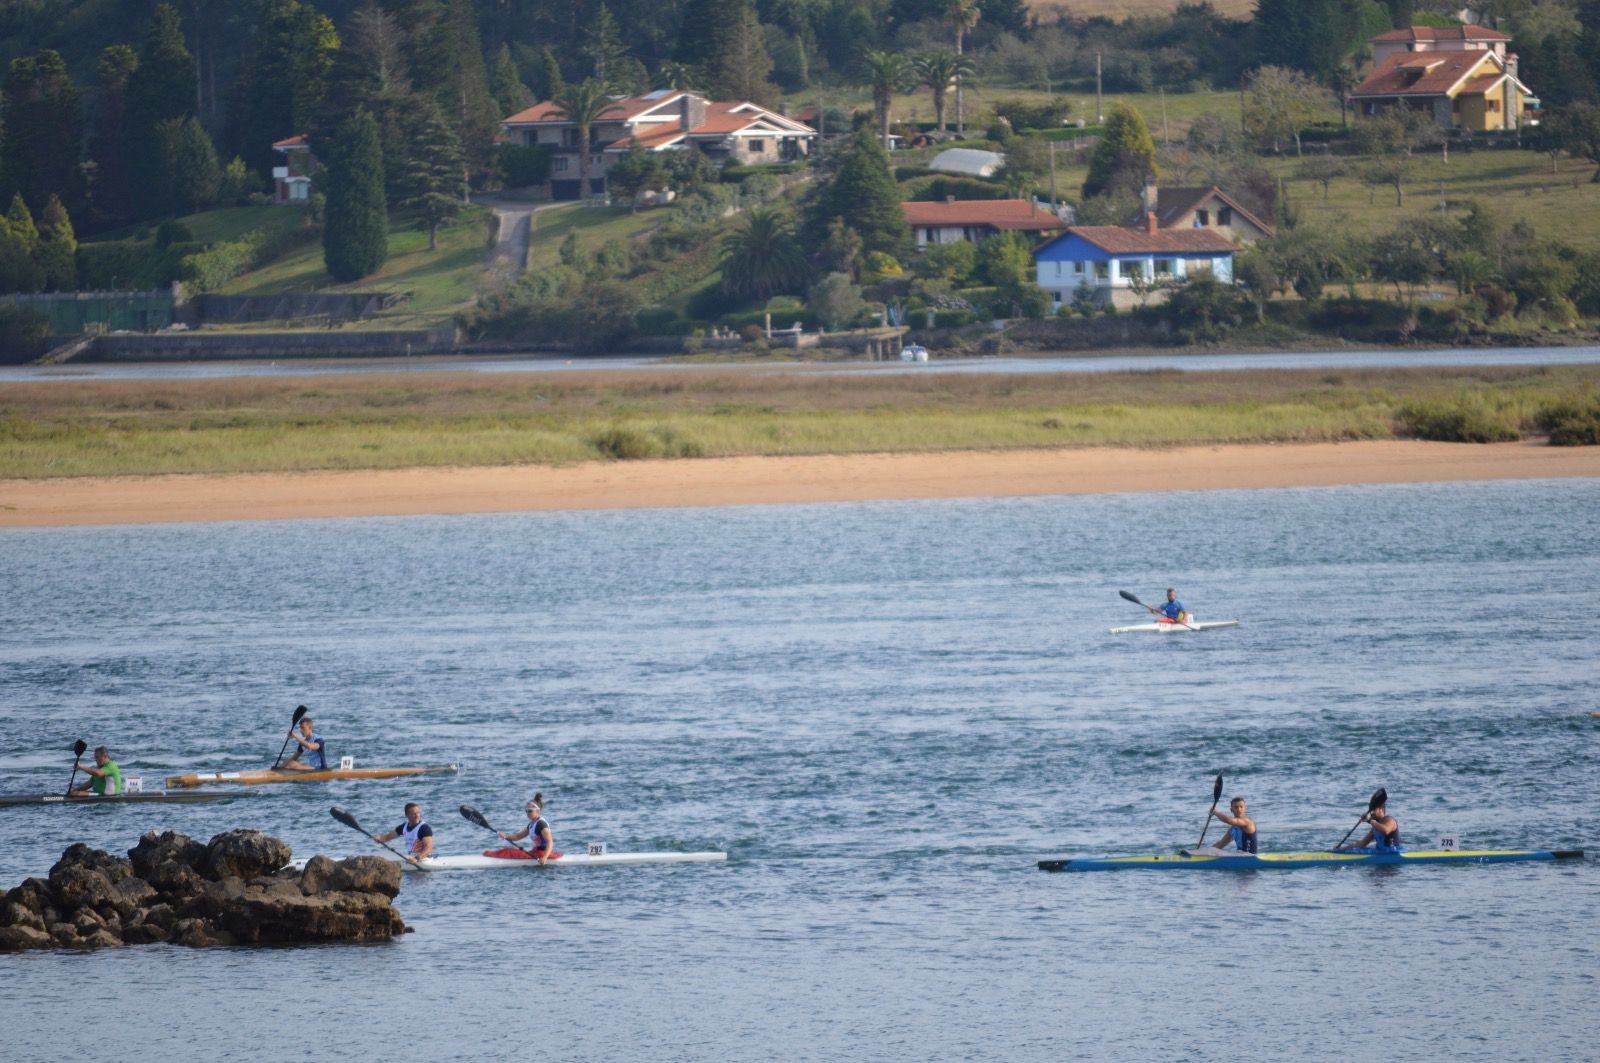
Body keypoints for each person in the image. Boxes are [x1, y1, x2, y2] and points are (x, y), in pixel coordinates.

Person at [499, 793, 555, 866]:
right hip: (537, 851)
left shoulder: (541, 824)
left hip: (543, 853)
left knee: (509, 852)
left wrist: (545, 858)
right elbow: (517, 837)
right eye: (526, 811)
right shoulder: (531, 824)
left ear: (537, 811)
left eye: (530, 811)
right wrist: (505, 836)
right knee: (508, 850)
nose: (527, 813)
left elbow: (550, 842)